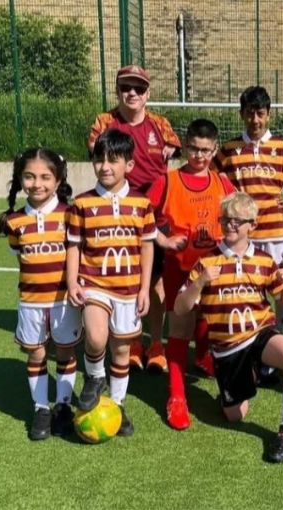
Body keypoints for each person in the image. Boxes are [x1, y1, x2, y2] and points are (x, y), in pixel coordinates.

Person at [175, 192, 283, 463]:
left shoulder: (264, 261)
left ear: (252, 225)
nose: (230, 225)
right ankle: (244, 381)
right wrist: (199, 283)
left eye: (238, 221)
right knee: (234, 415)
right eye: (226, 220)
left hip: (259, 332)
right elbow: (180, 307)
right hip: (227, 349)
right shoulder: (207, 262)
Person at [88, 64, 182, 372]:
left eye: (139, 88)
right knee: (121, 279)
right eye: (126, 87)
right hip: (115, 217)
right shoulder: (104, 122)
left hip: (153, 216)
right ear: (117, 91)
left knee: (154, 283)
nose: (132, 93)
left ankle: (155, 343)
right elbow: (97, 155)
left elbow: (174, 146)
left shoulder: (161, 125)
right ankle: (130, 342)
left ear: (148, 94)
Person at [215, 86, 283, 386]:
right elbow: (212, 178)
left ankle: (275, 346)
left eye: (260, 113)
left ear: (268, 114)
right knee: (244, 288)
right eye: (249, 113)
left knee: (279, 289)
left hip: (273, 232)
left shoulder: (282, 147)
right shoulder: (229, 149)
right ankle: (246, 347)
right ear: (242, 114)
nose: (255, 119)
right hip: (241, 235)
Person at [67, 129, 156, 436]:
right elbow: (74, 246)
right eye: (99, 159)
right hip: (94, 283)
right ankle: (93, 377)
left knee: (121, 351)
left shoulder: (142, 205)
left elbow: (147, 246)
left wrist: (145, 288)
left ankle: (117, 404)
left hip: (129, 289)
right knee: (95, 335)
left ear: (129, 165)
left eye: (113, 160)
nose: (104, 166)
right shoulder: (82, 204)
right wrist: (72, 282)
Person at [147, 119, 235, 430]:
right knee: (180, 329)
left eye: (206, 151)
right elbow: (143, 219)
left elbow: (239, 218)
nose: (199, 156)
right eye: (194, 149)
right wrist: (164, 241)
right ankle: (176, 396)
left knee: (213, 323)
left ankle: (206, 359)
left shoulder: (223, 183)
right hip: (178, 270)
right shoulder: (167, 181)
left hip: (214, 271)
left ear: (215, 149)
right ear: (185, 146)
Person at [0, 148, 82, 440]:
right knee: (37, 353)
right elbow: (22, 258)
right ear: (20, 180)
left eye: (46, 177)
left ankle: (64, 405)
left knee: (66, 353)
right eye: (29, 176)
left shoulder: (70, 215)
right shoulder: (15, 222)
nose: (37, 183)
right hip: (31, 302)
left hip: (63, 302)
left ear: (58, 181)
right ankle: (41, 407)